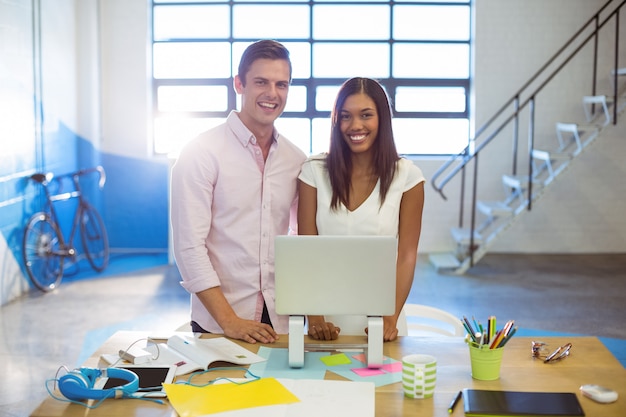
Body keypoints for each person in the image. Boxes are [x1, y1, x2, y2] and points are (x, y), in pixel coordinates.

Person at [170, 40, 307, 344]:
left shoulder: (296, 160)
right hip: (220, 324)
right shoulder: (201, 153)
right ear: (239, 84)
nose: (272, 93)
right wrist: (229, 321)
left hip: (281, 320)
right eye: (261, 82)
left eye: (281, 84)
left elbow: (302, 238)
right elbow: (189, 247)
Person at [298, 77, 425, 342]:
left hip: (382, 321)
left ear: (382, 119)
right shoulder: (313, 171)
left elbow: (406, 256)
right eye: (345, 116)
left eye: (366, 115)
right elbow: (305, 250)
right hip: (324, 319)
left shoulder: (407, 177)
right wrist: (316, 318)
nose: (355, 125)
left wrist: (389, 318)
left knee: (384, 384)